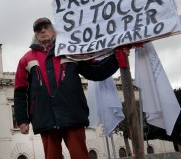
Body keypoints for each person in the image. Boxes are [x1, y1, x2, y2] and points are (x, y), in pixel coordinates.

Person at [14, 17, 119, 159]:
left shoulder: (70, 50)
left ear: (53, 30)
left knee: (80, 156)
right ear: (35, 35)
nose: (43, 31)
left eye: (46, 27)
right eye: (39, 29)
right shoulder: (26, 59)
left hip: (72, 114)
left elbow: (95, 71)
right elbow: (20, 92)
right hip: (46, 119)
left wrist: (117, 57)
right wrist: (22, 120)